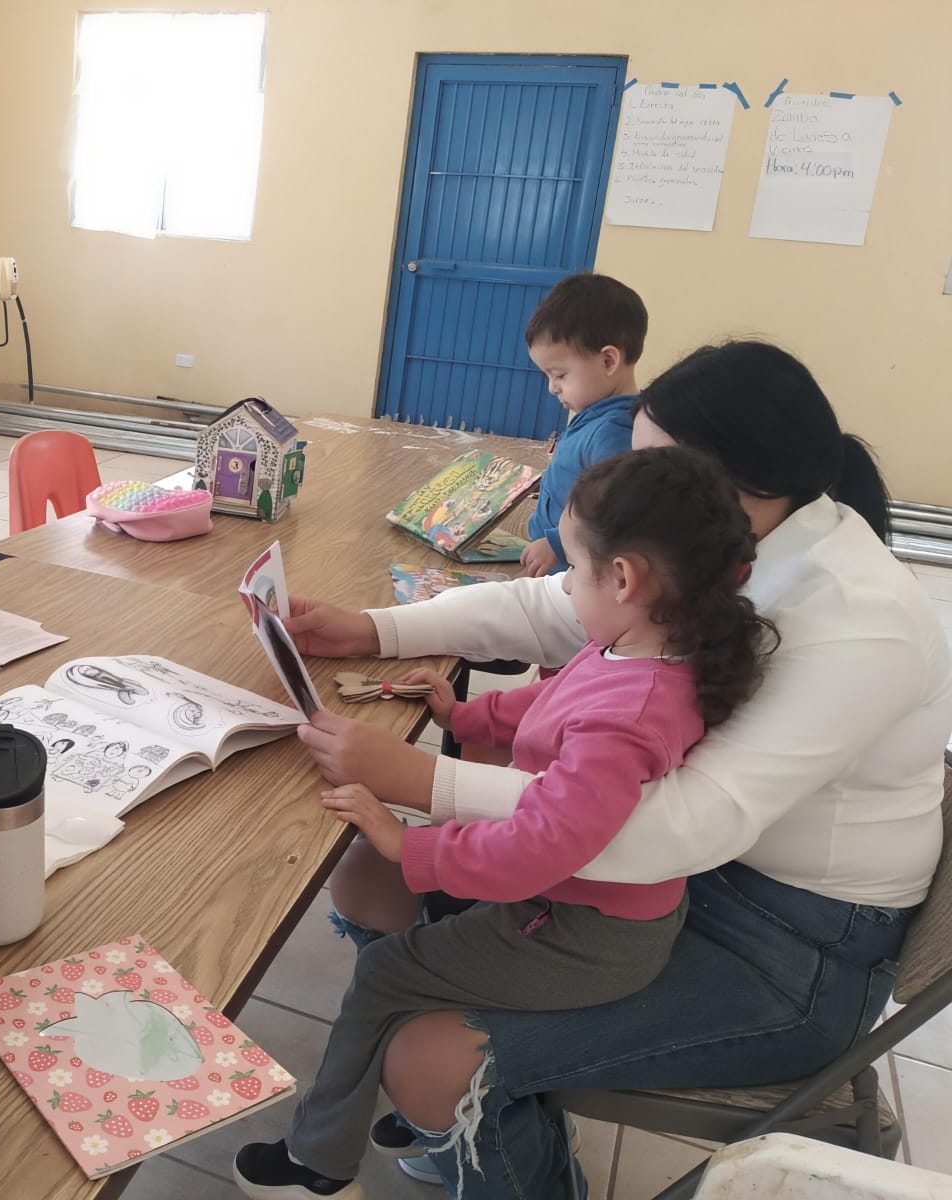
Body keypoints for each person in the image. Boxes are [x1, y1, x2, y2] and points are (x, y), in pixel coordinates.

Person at [278, 341, 951, 1198]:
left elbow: (677, 828)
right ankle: (465, 1109)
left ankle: (487, 1122)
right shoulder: (714, 550)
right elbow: (559, 601)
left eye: (645, 465)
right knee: (372, 879)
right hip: (673, 882)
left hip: (788, 949)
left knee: (431, 1059)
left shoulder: (859, 622)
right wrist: (374, 628)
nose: (623, 482)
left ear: (718, 487)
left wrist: (423, 783)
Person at [234, 448, 775, 1197]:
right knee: (392, 922)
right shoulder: (635, 646)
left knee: (387, 970)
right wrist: (467, 714)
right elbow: (554, 702)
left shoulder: (631, 715)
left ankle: (316, 1163)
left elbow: (544, 844)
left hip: (584, 933)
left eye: (574, 569)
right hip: (574, 906)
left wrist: (411, 844)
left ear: (624, 579)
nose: (564, 586)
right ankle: (414, 1114)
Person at [519, 273, 648, 577]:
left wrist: (557, 545)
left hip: (574, 577)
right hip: (552, 565)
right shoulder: (596, 416)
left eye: (560, 375)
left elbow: (615, 510)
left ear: (608, 362)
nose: (552, 388)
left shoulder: (615, 431)